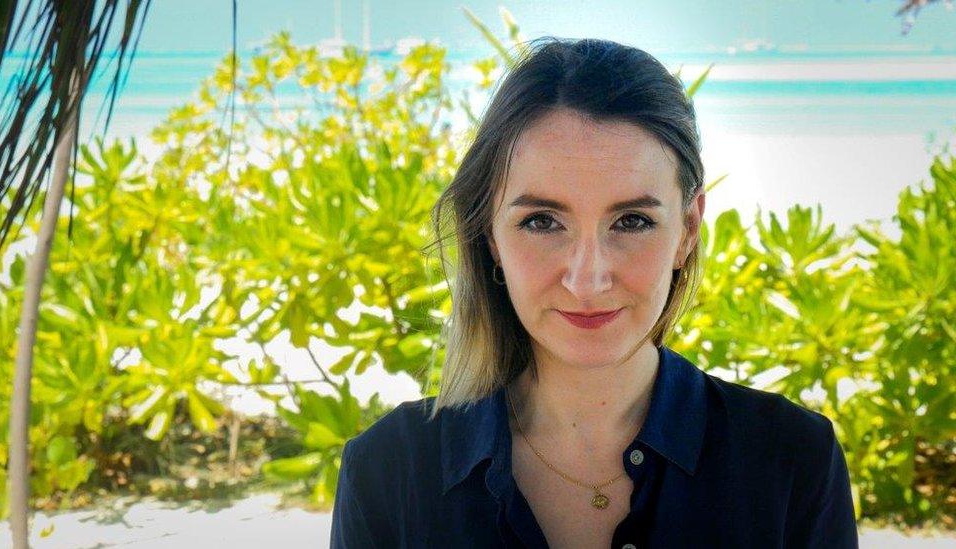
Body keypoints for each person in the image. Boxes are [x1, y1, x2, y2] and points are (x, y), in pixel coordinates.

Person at [330, 36, 858, 549]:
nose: (587, 279)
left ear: (689, 230)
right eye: (542, 221)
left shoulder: (793, 460)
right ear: (491, 236)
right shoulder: (386, 471)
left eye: (631, 221)